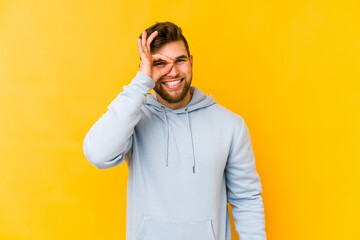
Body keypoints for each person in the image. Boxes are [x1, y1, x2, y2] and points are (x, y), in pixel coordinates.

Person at [83, 21, 266, 240]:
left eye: (180, 60)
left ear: (190, 62)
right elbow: (97, 154)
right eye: (160, 63)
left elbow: (247, 199)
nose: (173, 71)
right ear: (147, 69)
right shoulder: (134, 119)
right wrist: (140, 83)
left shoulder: (230, 125)